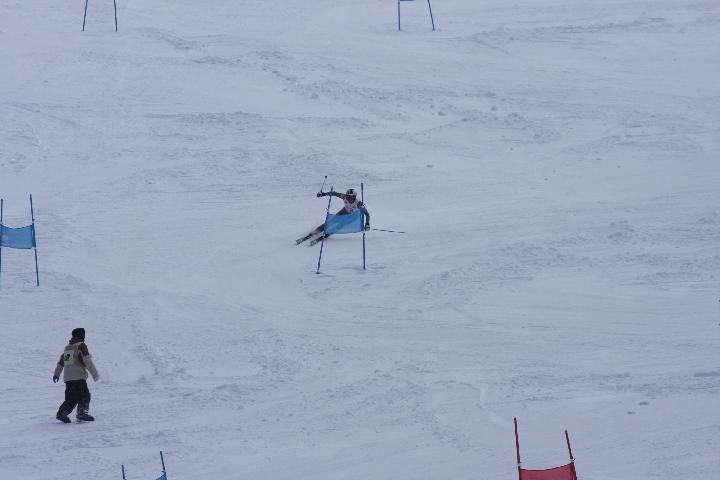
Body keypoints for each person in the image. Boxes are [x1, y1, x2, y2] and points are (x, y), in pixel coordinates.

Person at [53, 327, 100, 423]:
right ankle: (82, 413)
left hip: (68, 379)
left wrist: (56, 374)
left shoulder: (67, 348)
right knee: (85, 396)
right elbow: (87, 360)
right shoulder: (81, 346)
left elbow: (61, 363)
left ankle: (62, 413)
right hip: (78, 377)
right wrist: (95, 375)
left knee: (71, 399)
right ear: (82, 336)